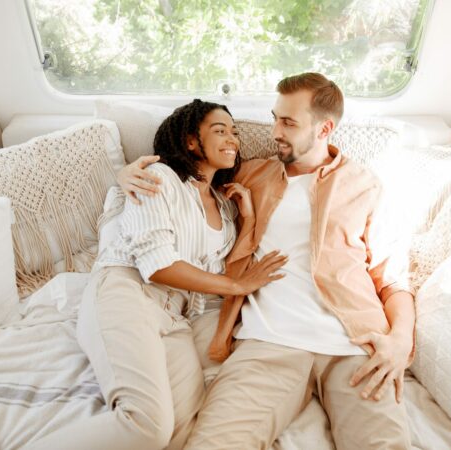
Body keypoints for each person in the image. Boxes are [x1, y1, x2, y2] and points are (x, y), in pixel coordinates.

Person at [118, 73, 415, 450]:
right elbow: (187, 170)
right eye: (275, 118)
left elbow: (393, 280)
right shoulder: (252, 173)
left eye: (288, 122)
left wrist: (400, 341)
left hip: (355, 346)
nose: (275, 130)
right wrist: (125, 172)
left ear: (325, 128)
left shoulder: (366, 186)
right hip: (269, 342)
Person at [24, 99, 287, 450]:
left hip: (174, 315)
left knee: (180, 432)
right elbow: (159, 266)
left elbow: (216, 273)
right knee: (146, 425)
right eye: (220, 130)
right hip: (127, 293)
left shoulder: (225, 208)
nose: (233, 140)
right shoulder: (157, 178)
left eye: (234, 133)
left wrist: (249, 220)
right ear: (191, 141)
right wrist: (237, 284)